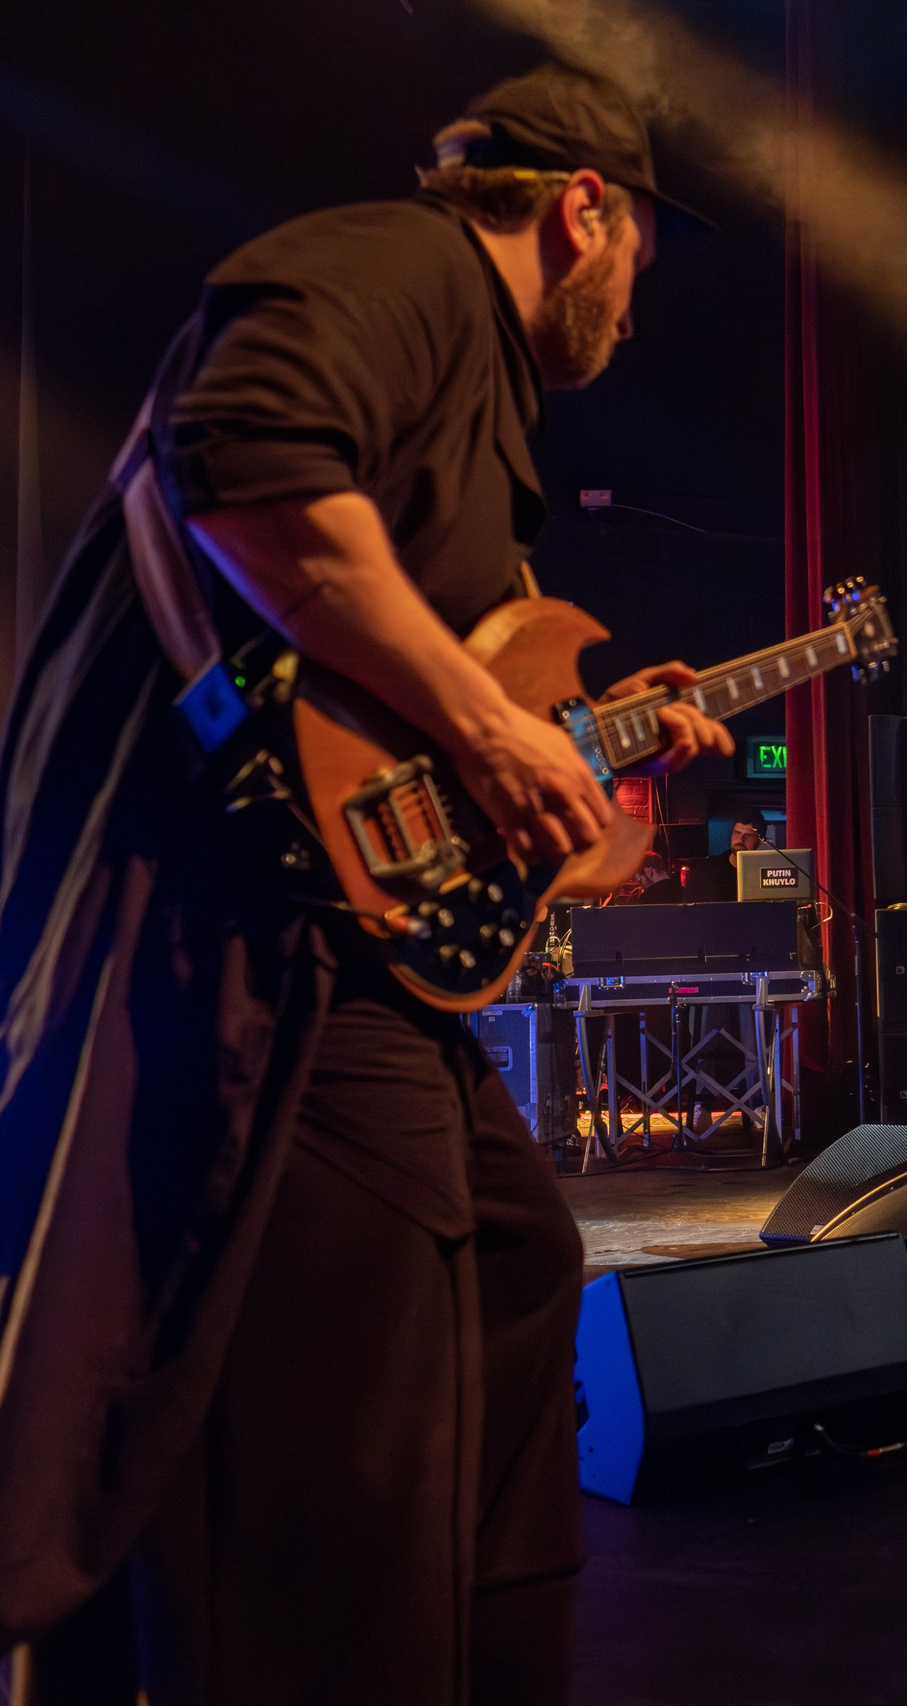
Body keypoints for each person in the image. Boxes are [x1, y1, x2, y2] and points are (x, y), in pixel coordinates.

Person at [0, 65, 729, 1700]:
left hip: (350, 940)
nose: (630, 304)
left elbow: (420, 724)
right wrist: (490, 727)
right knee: (351, 1385)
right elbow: (244, 453)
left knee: (518, 1261)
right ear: (582, 211)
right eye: (637, 259)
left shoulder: (479, 395)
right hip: (244, 926)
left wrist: (569, 768)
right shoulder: (409, 269)